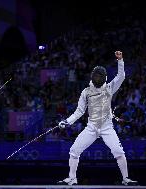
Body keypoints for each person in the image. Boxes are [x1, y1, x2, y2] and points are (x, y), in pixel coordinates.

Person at [57, 51, 138, 185]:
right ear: (93, 76)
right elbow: (79, 111)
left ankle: (126, 179)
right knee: (74, 150)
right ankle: (72, 178)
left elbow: (121, 76)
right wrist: (67, 122)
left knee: (118, 151)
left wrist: (120, 60)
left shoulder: (109, 88)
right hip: (91, 127)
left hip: (107, 127)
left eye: (100, 76)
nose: (98, 78)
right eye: (96, 75)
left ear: (105, 77)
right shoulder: (86, 92)